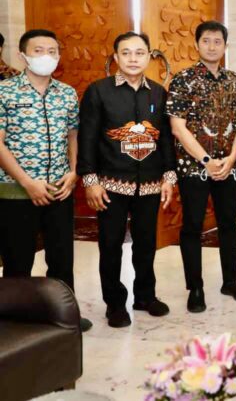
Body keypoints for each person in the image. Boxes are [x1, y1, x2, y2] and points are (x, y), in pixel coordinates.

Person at [78, 32, 177, 328]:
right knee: (110, 245)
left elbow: (166, 140)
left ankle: (145, 296)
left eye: (139, 53)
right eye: (126, 53)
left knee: (146, 243)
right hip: (110, 184)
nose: (133, 58)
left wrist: (169, 177)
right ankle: (115, 303)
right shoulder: (98, 91)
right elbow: (87, 138)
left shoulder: (158, 92)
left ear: (149, 57)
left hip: (149, 184)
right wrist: (90, 180)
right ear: (116, 57)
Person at [0, 29, 91, 332]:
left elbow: (73, 135)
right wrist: (27, 182)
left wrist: (74, 171)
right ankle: (17, 323)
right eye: (39, 50)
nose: (47, 56)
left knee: (62, 259)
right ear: (23, 55)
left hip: (59, 189)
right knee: (17, 261)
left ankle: (64, 315)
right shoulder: (5, 92)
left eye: (53, 50)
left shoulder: (66, 93)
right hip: (16, 192)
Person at [167, 21, 236, 313]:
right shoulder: (183, 79)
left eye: (218, 41)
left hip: (229, 166)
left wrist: (231, 158)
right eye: (207, 41)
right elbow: (177, 127)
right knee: (192, 226)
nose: (212, 46)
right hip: (194, 167)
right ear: (197, 44)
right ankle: (196, 287)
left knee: (229, 224)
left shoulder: (235, 80)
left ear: (225, 46)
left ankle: (230, 281)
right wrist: (207, 160)